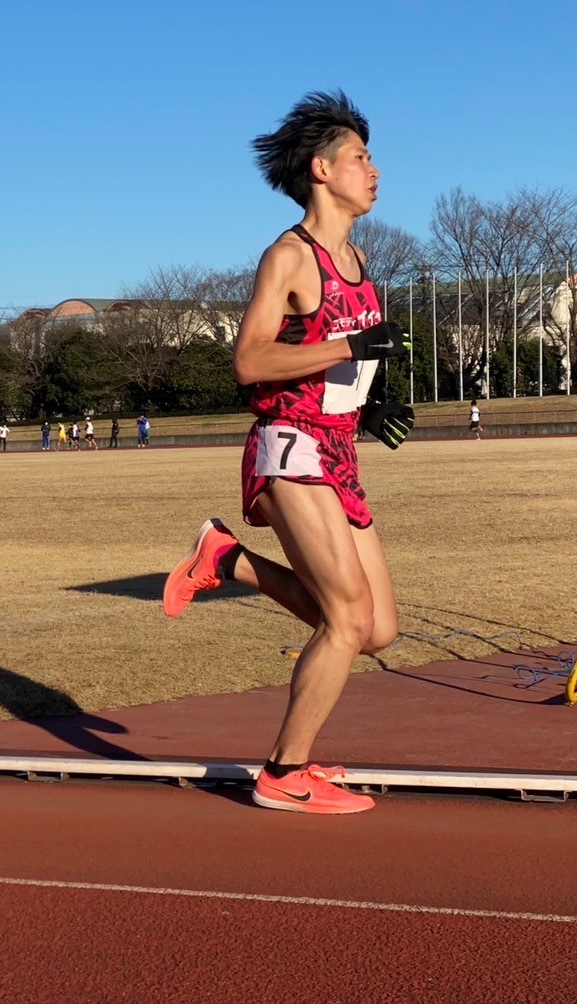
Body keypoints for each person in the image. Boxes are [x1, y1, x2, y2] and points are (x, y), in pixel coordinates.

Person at [161, 91, 413, 816]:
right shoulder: (289, 256)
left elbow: (337, 365)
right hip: (288, 447)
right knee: (344, 618)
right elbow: (250, 361)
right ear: (321, 170)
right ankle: (282, 772)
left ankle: (223, 560)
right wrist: (353, 346)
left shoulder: (358, 257)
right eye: (361, 157)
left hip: (336, 448)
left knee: (377, 630)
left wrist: (371, 404)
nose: (375, 170)